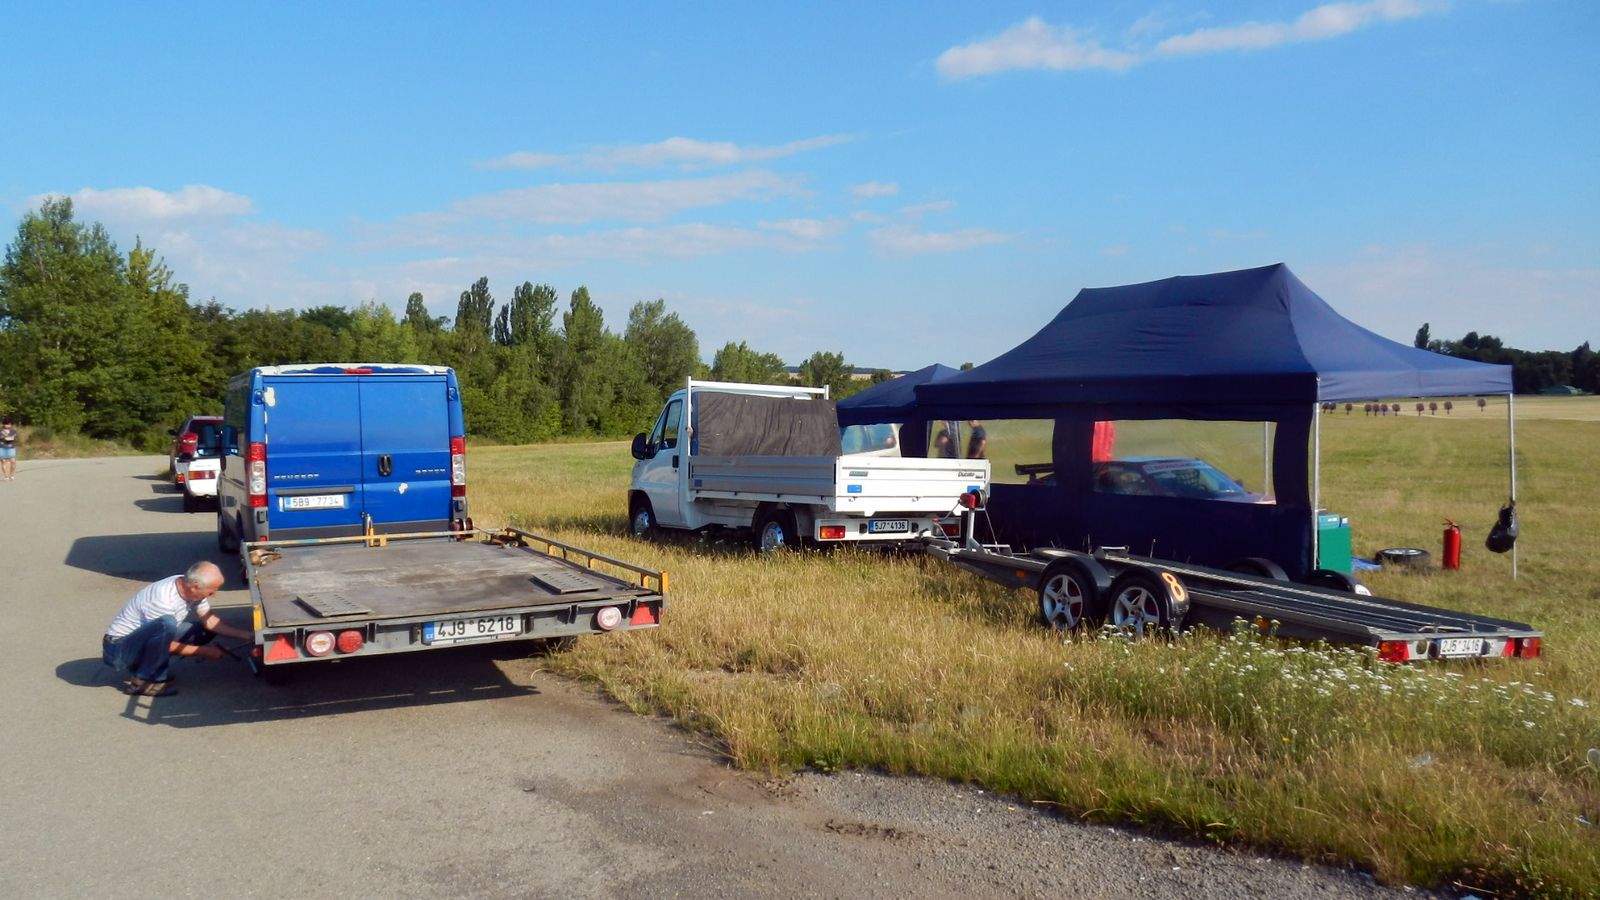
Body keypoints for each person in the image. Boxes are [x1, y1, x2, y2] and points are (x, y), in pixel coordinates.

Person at [102, 561, 250, 697]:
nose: (214, 595)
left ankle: (149, 667)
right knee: (167, 623)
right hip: (119, 649)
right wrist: (204, 651)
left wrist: (248, 635)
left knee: (204, 631)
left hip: (145, 639)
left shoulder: (190, 586)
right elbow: (165, 644)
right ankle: (146, 681)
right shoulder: (162, 599)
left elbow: (210, 622)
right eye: (211, 592)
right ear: (195, 586)